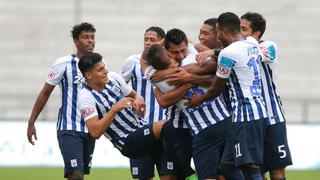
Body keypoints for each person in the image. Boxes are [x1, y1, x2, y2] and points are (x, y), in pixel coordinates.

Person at [78, 52, 198, 180]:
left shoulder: (113, 78)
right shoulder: (86, 97)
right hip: (126, 141)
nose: (106, 71)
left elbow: (135, 95)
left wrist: (139, 99)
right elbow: (95, 132)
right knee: (166, 125)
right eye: (100, 69)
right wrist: (114, 110)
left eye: (105, 66)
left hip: (142, 129)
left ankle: (183, 171)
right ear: (89, 75)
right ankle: (189, 173)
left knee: (169, 176)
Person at [187, 12, 268, 180]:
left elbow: (216, 87)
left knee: (250, 168)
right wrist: (211, 51)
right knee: (227, 166)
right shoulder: (252, 43)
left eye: (217, 31)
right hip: (254, 111)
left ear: (223, 30)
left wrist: (199, 99)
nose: (217, 35)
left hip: (247, 114)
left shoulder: (228, 54)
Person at [143, 44, 232, 180]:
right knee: (231, 170)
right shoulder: (191, 64)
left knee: (208, 176)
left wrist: (178, 75)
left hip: (203, 129)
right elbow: (218, 72)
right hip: (224, 121)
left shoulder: (157, 80)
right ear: (170, 54)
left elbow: (163, 102)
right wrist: (190, 79)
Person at [27, 22, 96, 180]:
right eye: (85, 37)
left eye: (92, 37)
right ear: (75, 41)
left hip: (91, 128)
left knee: (79, 174)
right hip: (68, 128)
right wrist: (31, 122)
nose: (90, 41)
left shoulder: (99, 64)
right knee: (76, 174)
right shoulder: (63, 63)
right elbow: (45, 93)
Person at [240, 12, 292, 180]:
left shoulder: (269, 46)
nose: (240, 33)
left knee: (277, 172)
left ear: (256, 33)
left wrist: (212, 50)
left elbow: (251, 54)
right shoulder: (235, 50)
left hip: (273, 117)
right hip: (253, 119)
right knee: (256, 172)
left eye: (244, 29)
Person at [121, 26, 178, 180]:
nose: (147, 42)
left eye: (152, 39)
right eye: (145, 39)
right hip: (141, 129)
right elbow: (120, 88)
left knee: (169, 176)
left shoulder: (171, 63)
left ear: (161, 42)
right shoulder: (132, 62)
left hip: (165, 128)